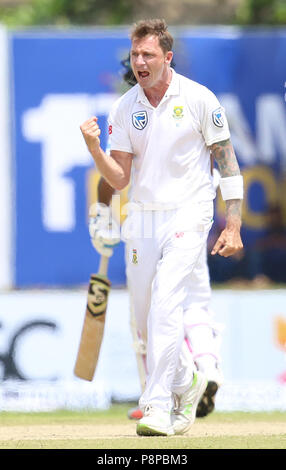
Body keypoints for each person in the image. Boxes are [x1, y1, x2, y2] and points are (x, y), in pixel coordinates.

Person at [80, 19, 243, 437]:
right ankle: (187, 381)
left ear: (166, 57)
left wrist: (235, 223)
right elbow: (118, 179)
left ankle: (155, 406)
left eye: (147, 54)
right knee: (144, 322)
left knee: (167, 303)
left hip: (190, 212)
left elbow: (226, 161)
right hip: (144, 216)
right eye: (135, 55)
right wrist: (95, 149)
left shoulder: (199, 98)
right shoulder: (124, 107)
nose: (139, 61)